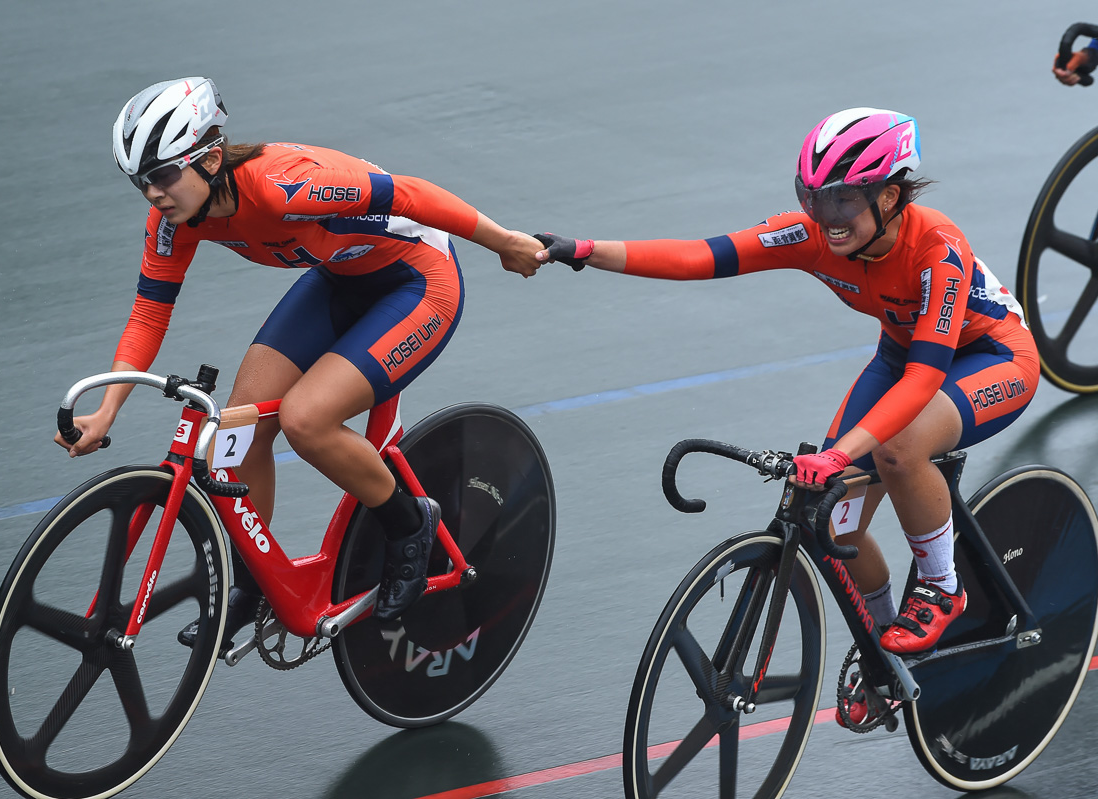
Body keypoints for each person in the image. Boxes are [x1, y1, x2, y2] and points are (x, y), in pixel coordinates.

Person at [534, 108, 1038, 714]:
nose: (825, 221)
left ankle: (941, 587)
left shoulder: (936, 247)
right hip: (901, 353)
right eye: (813, 200)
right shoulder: (810, 235)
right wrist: (587, 250)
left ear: (892, 196)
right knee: (831, 520)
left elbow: (925, 379)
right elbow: (701, 256)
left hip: (992, 358)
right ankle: (889, 656)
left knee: (898, 449)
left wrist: (839, 452)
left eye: (842, 203)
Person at [56, 77, 543, 646]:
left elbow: (411, 195)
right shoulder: (173, 221)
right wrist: (108, 410)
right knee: (235, 431)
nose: (153, 195)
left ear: (210, 156)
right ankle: (255, 585)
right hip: (340, 280)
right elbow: (147, 314)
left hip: (418, 282)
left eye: (163, 176)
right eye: (140, 182)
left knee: (305, 419)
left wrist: (503, 241)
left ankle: (410, 525)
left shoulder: (288, 186)